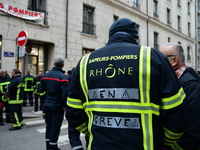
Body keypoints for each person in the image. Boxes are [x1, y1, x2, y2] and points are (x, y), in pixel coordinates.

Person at [66, 18, 187, 150]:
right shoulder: (152, 57)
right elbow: (176, 111)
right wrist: (163, 141)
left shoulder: (85, 62)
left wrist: (92, 132)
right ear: (136, 38)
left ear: (111, 36)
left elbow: (73, 111)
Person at [160, 43, 200, 150]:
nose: (158, 61)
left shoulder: (191, 86)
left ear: (174, 61)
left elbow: (194, 129)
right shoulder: (174, 81)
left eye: (162, 57)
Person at [39, 57, 69, 150]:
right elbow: (65, 93)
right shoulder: (63, 77)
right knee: (55, 127)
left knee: (48, 126)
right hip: (57, 105)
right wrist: (64, 105)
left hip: (47, 104)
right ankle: (53, 146)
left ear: (54, 64)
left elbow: (40, 90)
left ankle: (48, 146)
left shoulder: (45, 76)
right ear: (62, 65)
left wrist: (45, 101)